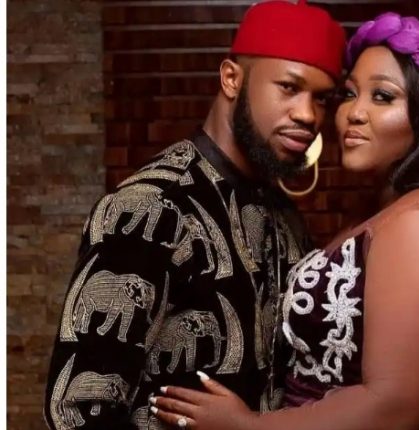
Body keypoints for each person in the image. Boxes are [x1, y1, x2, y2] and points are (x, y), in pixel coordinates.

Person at [150, 12, 419, 430]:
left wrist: (247, 426)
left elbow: (396, 407)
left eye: (382, 97)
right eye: (349, 94)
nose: (353, 113)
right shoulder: (387, 214)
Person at [43, 1, 346, 429]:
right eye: (288, 87)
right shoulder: (151, 205)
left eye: (321, 99)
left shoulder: (285, 217)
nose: (308, 115)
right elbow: (76, 411)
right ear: (231, 79)